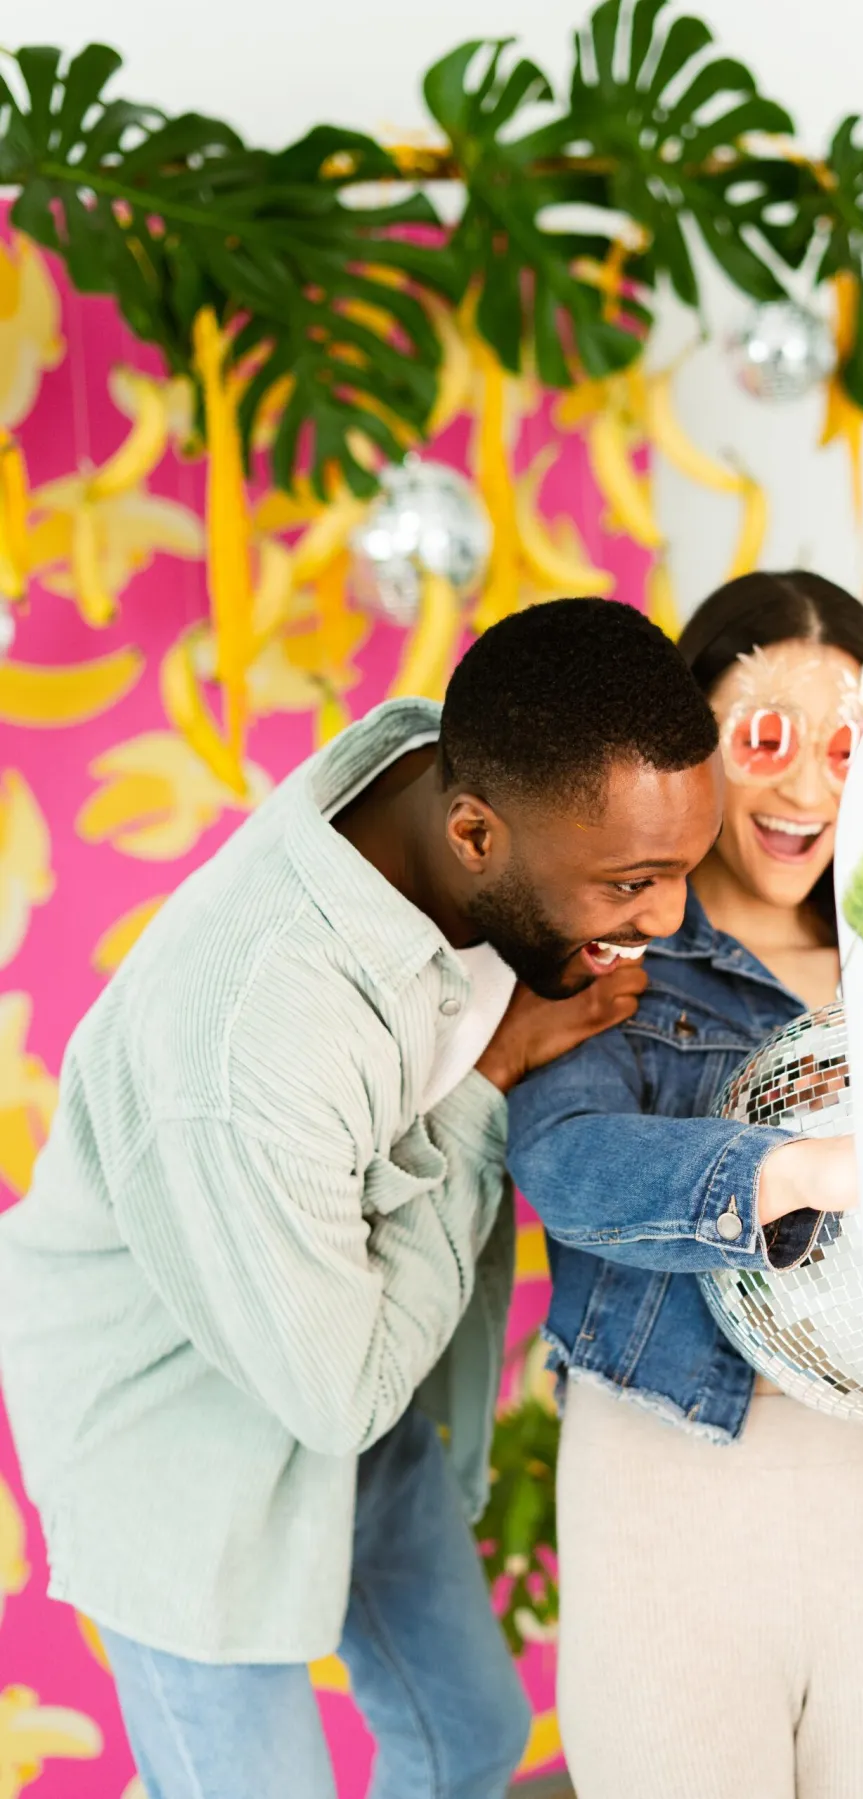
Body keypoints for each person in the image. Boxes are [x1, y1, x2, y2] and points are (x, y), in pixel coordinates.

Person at [0, 598, 723, 1799]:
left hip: (350, 1328)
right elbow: (340, 1393)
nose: (666, 916)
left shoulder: (449, 775)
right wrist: (493, 1076)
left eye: (680, 868)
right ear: (475, 834)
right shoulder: (255, 1042)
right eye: (633, 881)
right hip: (178, 1428)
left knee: (469, 1731)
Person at [507, 572, 863, 1799]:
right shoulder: (613, 954)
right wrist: (790, 1169)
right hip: (672, 1475)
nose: (809, 791)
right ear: (693, 742)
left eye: (847, 747)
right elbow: (565, 1160)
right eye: (768, 738)